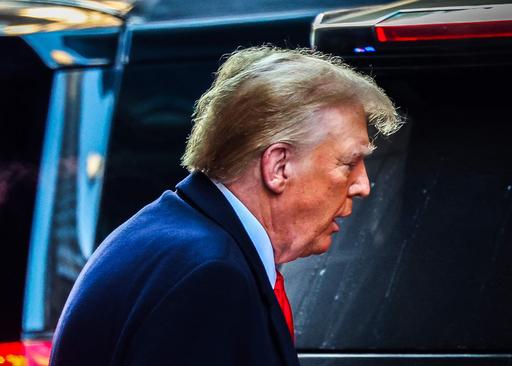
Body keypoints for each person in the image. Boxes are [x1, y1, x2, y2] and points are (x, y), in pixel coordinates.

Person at [50, 46, 401, 365]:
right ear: (278, 166)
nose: (363, 185)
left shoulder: (182, 238)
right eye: (348, 163)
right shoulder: (209, 275)